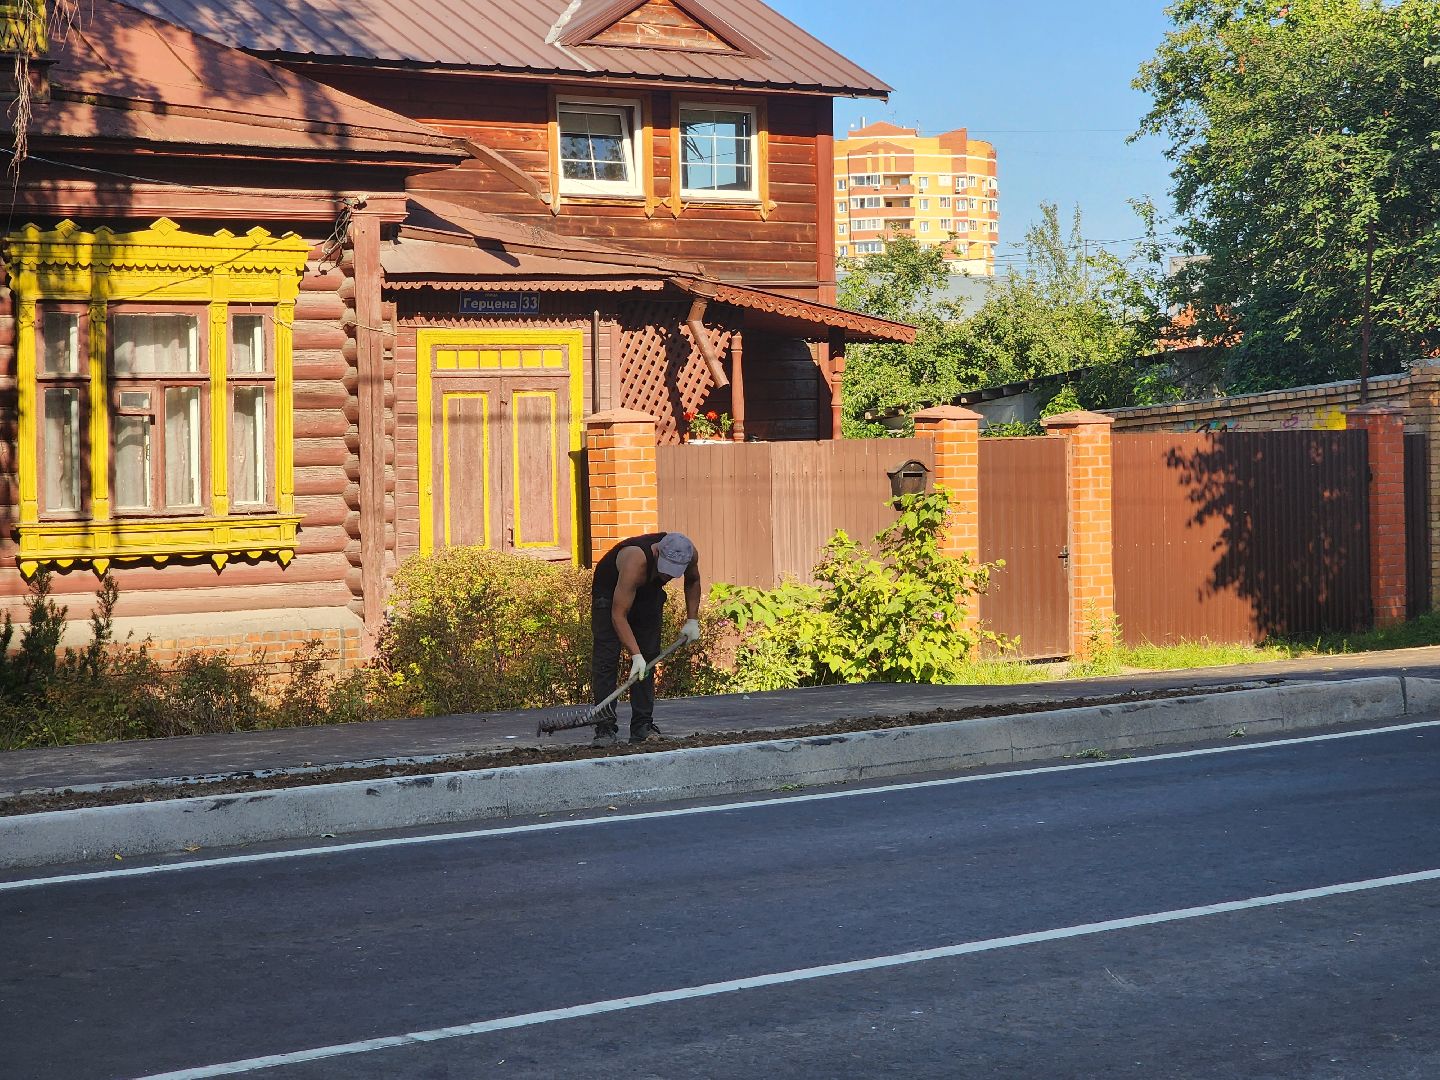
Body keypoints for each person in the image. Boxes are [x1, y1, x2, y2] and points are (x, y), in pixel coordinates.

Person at [590, 531, 701, 746]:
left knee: (649, 657)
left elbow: (693, 580)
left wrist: (692, 620)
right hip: (610, 593)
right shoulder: (635, 560)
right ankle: (604, 727)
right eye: (666, 570)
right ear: (657, 551)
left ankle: (642, 726)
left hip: (649, 591)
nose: (668, 577)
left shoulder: (689, 553)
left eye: (673, 573)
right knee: (607, 658)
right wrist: (635, 654)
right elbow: (618, 615)